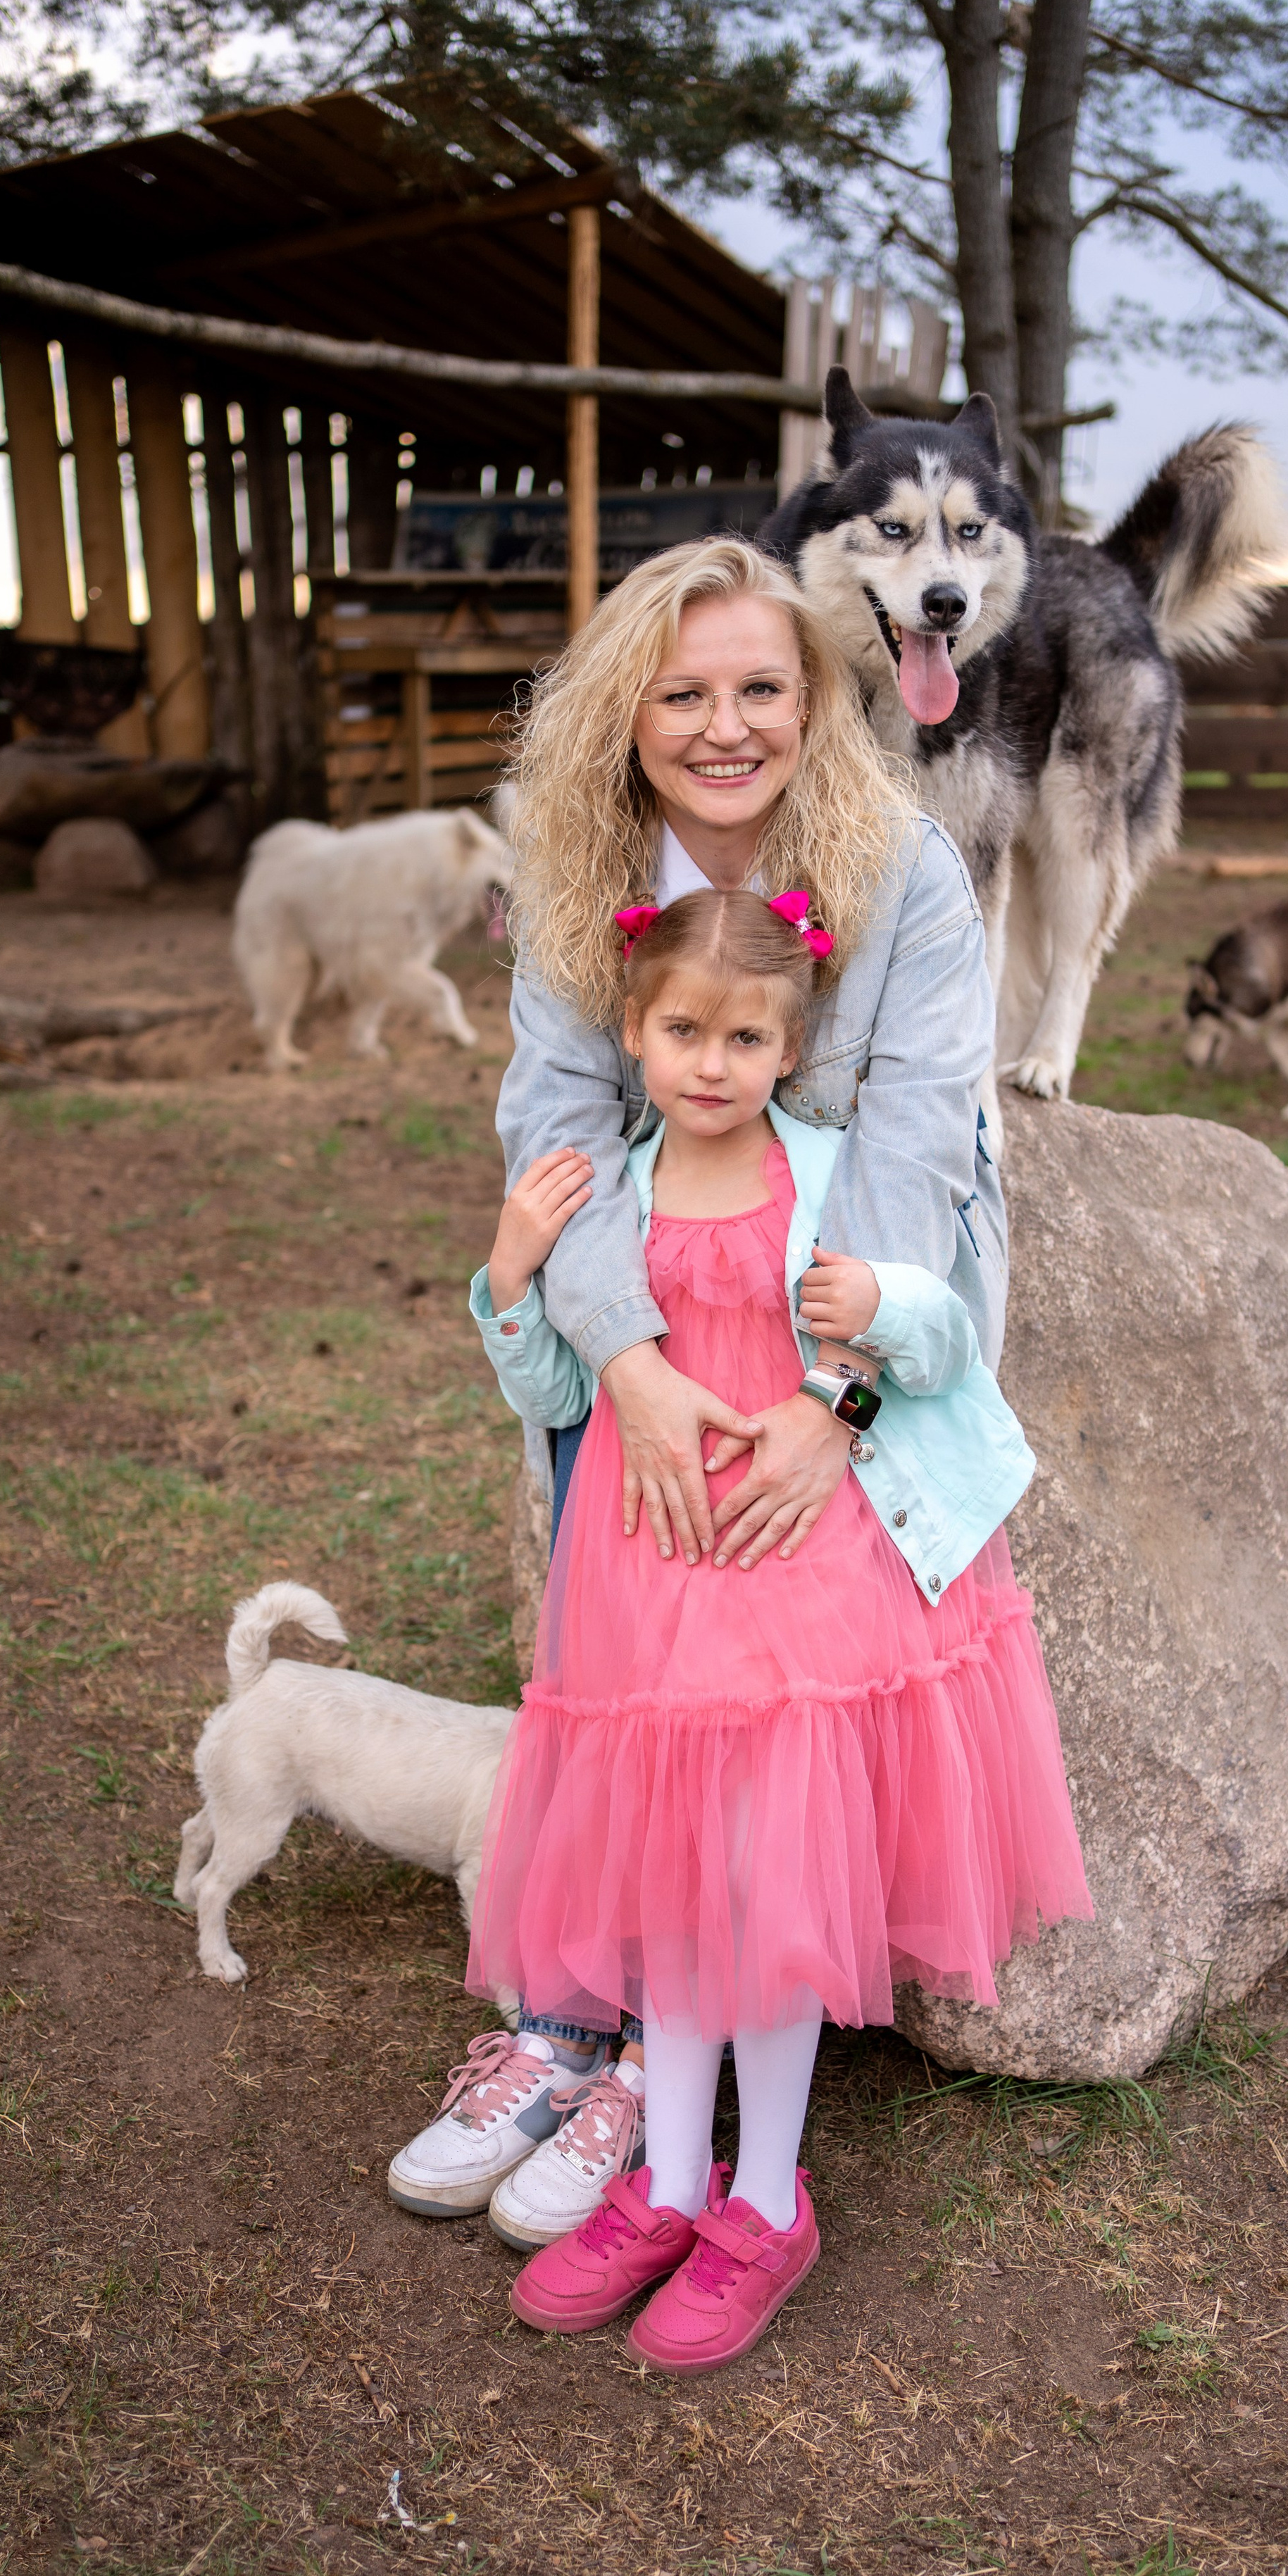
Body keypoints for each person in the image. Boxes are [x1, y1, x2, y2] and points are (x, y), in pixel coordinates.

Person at [386, 535, 1011, 2244]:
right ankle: (569, 2027)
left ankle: (687, 2059)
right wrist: (627, 1366)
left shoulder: (903, 872)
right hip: (652, 1323)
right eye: (680, 693)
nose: (723, 727)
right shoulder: (574, 865)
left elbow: (917, 1143)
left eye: (759, 689)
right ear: (624, 708)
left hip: (834, 1324)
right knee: (627, 1682)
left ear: (814, 700)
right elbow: (557, 1125)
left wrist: (836, 1405)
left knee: (770, 1707)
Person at [460, 887, 1092, 2370]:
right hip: (651, 1582)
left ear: (790, 1049)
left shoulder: (826, 1177)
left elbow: (939, 1343)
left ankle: (763, 2199)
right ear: (632, 1034)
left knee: (767, 1875)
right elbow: (552, 1393)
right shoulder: (605, 1196)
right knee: (678, 1881)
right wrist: (509, 1274)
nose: (711, 1063)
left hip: (798, 1572)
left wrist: (882, 1303)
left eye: (746, 1038)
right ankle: (670, 2185)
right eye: (682, 1031)